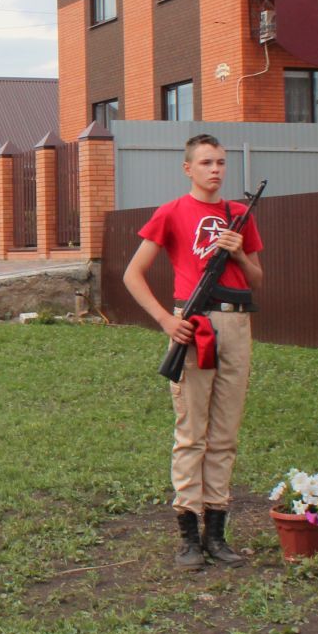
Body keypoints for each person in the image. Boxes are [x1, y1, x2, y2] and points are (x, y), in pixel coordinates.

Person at [122, 135, 265, 571]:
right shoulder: (171, 212)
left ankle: (216, 535)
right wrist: (166, 320)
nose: (216, 170)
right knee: (191, 433)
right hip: (193, 325)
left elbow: (257, 279)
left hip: (236, 325)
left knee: (224, 435)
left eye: (221, 162)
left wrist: (239, 254)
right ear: (189, 169)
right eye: (206, 162)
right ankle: (188, 535)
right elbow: (133, 274)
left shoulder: (239, 216)